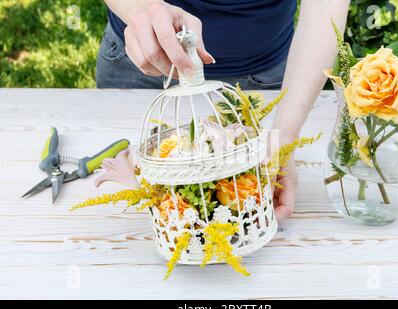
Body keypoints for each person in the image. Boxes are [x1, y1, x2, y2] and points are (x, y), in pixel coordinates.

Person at [97, 0, 351, 220]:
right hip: (144, 59)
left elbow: (324, 7)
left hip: (265, 77)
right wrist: (141, 10)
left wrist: (283, 137)